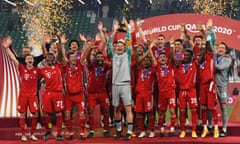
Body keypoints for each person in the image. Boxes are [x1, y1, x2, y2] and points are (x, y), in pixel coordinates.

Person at [2, 36, 39, 142]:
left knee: (35, 114)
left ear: (33, 60)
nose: (29, 60)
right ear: (25, 61)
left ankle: (32, 134)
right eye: (27, 59)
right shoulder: (21, 68)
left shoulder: (37, 70)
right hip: (23, 95)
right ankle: (23, 135)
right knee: (22, 114)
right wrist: (7, 48)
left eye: (31, 58)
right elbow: (13, 58)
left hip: (32, 96)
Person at [107, 19, 134, 140]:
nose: (119, 47)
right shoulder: (113, 56)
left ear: (124, 47)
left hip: (125, 84)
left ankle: (129, 131)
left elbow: (128, 41)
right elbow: (108, 43)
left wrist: (127, 29)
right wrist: (115, 31)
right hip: (115, 85)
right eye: (117, 45)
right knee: (116, 108)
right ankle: (118, 130)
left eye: (121, 46)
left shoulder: (127, 55)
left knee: (128, 108)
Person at [150, 39, 177, 137]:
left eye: (164, 57)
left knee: (172, 111)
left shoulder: (170, 65)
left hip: (170, 92)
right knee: (161, 112)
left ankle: (172, 128)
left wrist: (172, 44)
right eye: (160, 57)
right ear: (158, 59)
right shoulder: (157, 67)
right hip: (161, 93)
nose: (162, 58)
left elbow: (170, 55)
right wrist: (150, 46)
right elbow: (152, 56)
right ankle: (161, 128)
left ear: (166, 59)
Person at [81, 50, 110, 138]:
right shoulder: (91, 66)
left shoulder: (105, 66)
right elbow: (87, 59)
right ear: (95, 59)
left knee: (106, 110)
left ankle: (106, 130)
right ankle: (92, 130)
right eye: (98, 57)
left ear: (103, 58)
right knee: (91, 110)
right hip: (92, 93)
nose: (100, 59)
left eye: (101, 57)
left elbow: (113, 64)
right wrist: (89, 49)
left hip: (102, 92)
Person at [39, 50, 65, 141]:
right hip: (48, 94)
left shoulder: (58, 67)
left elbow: (61, 55)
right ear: (45, 60)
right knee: (46, 114)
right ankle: (47, 131)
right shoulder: (42, 70)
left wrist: (59, 42)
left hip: (58, 93)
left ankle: (59, 133)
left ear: (54, 59)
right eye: (48, 57)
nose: (49, 59)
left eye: (51, 57)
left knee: (59, 113)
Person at [64, 52, 87, 140]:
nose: (73, 58)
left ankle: (82, 132)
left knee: (82, 114)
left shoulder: (79, 64)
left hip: (79, 94)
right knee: (67, 114)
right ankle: (70, 133)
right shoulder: (65, 66)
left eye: (75, 57)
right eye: (71, 57)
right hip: (68, 95)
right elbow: (62, 57)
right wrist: (61, 44)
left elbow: (84, 55)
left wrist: (85, 44)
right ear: (68, 59)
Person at [198, 41, 219, 138]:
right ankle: (205, 128)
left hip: (210, 84)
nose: (201, 52)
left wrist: (205, 34)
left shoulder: (210, 56)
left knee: (212, 107)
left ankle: (216, 128)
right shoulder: (197, 62)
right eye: (200, 51)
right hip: (202, 86)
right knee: (203, 107)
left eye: (203, 50)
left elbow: (209, 46)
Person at [176, 48, 198, 138]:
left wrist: (206, 40)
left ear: (191, 57)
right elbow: (172, 58)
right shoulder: (179, 65)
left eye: (188, 55)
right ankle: (183, 130)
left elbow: (198, 53)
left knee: (193, 112)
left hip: (191, 91)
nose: (185, 56)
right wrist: (173, 45)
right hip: (182, 92)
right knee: (182, 112)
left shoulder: (194, 64)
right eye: (184, 55)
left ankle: (193, 130)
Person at [135, 49, 156, 138]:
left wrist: (150, 49)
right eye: (144, 60)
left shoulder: (153, 70)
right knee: (139, 113)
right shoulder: (139, 69)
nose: (145, 62)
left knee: (149, 113)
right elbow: (137, 60)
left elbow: (155, 62)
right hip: (139, 95)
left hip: (148, 94)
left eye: (147, 60)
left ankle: (152, 130)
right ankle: (142, 131)